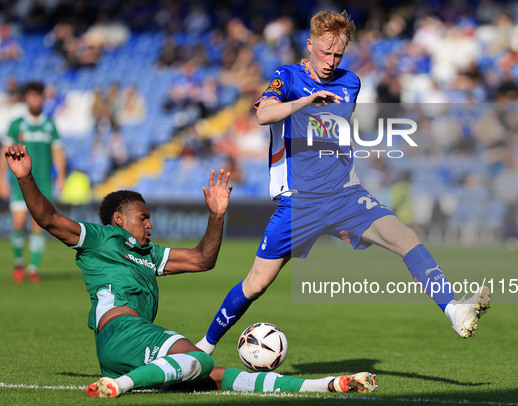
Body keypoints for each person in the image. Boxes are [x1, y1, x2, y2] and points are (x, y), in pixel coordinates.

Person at [196, 10, 490, 355]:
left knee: (405, 237)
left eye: (338, 54)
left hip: (345, 195)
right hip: (300, 201)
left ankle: (454, 310)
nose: (330, 61)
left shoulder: (350, 82)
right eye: (324, 52)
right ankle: (204, 347)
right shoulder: (287, 77)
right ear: (309, 45)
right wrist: (306, 100)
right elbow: (263, 114)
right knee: (256, 283)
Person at [4, 143, 377, 398]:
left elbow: (203, 259)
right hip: (123, 329)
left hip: (123, 346)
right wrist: (24, 177)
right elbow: (48, 218)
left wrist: (216, 216)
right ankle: (120, 387)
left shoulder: (150, 254)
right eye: (143, 218)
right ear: (119, 219)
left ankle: (326, 385)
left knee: (213, 377)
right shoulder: (101, 238)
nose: (149, 224)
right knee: (199, 358)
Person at [0, 81, 66, 283]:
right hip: (20, 183)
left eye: (38, 96)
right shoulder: (16, 123)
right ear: (26, 98)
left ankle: (33, 268)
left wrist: (62, 176)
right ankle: (19, 261)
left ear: (43, 98)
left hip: (43, 183)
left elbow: (57, 151)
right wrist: (1, 179)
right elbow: (5, 150)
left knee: (39, 225)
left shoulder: (50, 124)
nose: (35, 100)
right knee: (19, 223)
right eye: (31, 96)